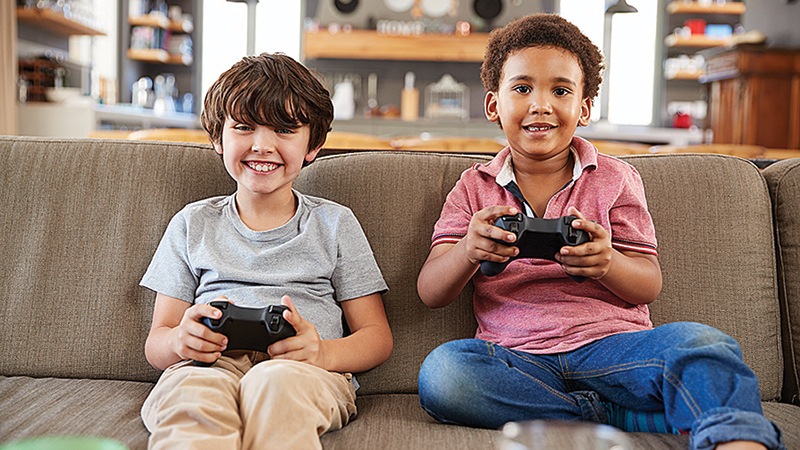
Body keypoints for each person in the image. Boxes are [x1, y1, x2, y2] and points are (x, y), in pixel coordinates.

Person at [415, 14, 783, 450]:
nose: (541, 104)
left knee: (703, 343)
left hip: (614, 349)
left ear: (584, 108)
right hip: (517, 357)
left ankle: (737, 439)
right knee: (444, 373)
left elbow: (648, 284)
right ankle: (611, 416)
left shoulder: (616, 178)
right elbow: (430, 291)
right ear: (493, 105)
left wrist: (607, 263)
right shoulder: (473, 187)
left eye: (561, 90)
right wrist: (469, 251)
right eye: (522, 88)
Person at [139, 52, 393, 450]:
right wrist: (179, 342)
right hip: (207, 366)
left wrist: (322, 351)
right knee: (192, 398)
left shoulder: (335, 223)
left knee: (274, 385)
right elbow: (158, 341)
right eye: (244, 127)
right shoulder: (192, 223)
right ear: (217, 139)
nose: (262, 145)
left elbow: (376, 337)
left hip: (302, 370)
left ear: (313, 145)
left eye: (284, 130)